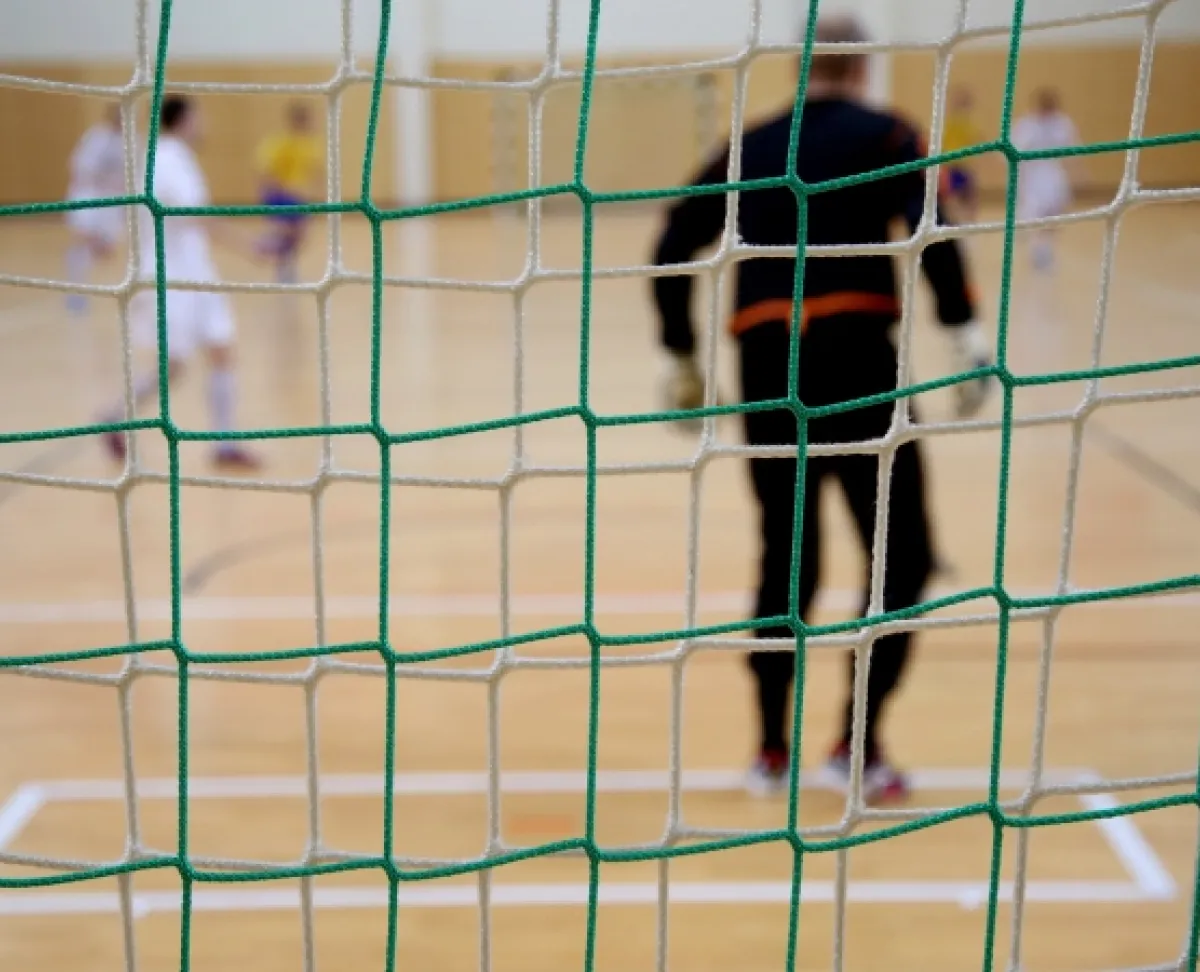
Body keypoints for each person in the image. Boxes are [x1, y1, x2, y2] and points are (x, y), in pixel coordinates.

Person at [649, 14, 994, 804]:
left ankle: (770, 751)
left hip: (769, 370)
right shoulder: (885, 135)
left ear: (802, 69)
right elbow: (929, 224)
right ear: (863, 69)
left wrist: (681, 353)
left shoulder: (752, 145)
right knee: (900, 558)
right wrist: (963, 328)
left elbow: (671, 241)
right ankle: (857, 747)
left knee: (787, 558)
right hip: (859, 365)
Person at [100, 95, 260, 470]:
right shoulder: (165, 159)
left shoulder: (179, 158)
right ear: (183, 120)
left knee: (222, 350)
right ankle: (115, 416)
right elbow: (195, 216)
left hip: (197, 273)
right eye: (199, 117)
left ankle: (224, 442)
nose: (204, 124)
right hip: (170, 279)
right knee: (174, 366)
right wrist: (249, 244)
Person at [64, 104, 126, 315]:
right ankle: (76, 294)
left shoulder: (129, 142)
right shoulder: (96, 138)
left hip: (112, 205)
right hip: (88, 199)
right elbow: (80, 167)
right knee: (84, 244)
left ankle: (118, 293)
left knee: (106, 250)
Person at [253, 101, 323, 283]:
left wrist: (315, 192)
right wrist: (272, 191)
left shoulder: (310, 143)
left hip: (299, 196)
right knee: (291, 231)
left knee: (301, 235)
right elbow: (266, 170)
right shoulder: (281, 141)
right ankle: (272, 251)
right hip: (282, 194)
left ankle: (275, 251)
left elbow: (314, 170)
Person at [1012, 88, 1081, 271]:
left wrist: (1077, 173)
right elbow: (1015, 151)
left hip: (1054, 174)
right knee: (1035, 214)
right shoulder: (1027, 124)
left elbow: (1073, 150)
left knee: (1055, 213)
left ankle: (1045, 247)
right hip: (1032, 176)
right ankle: (1037, 247)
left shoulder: (1063, 124)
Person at [941, 86, 983, 223]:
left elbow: (976, 140)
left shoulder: (968, 123)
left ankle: (969, 221)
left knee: (970, 195)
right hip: (953, 164)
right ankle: (954, 221)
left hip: (964, 164)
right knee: (952, 196)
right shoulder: (950, 123)